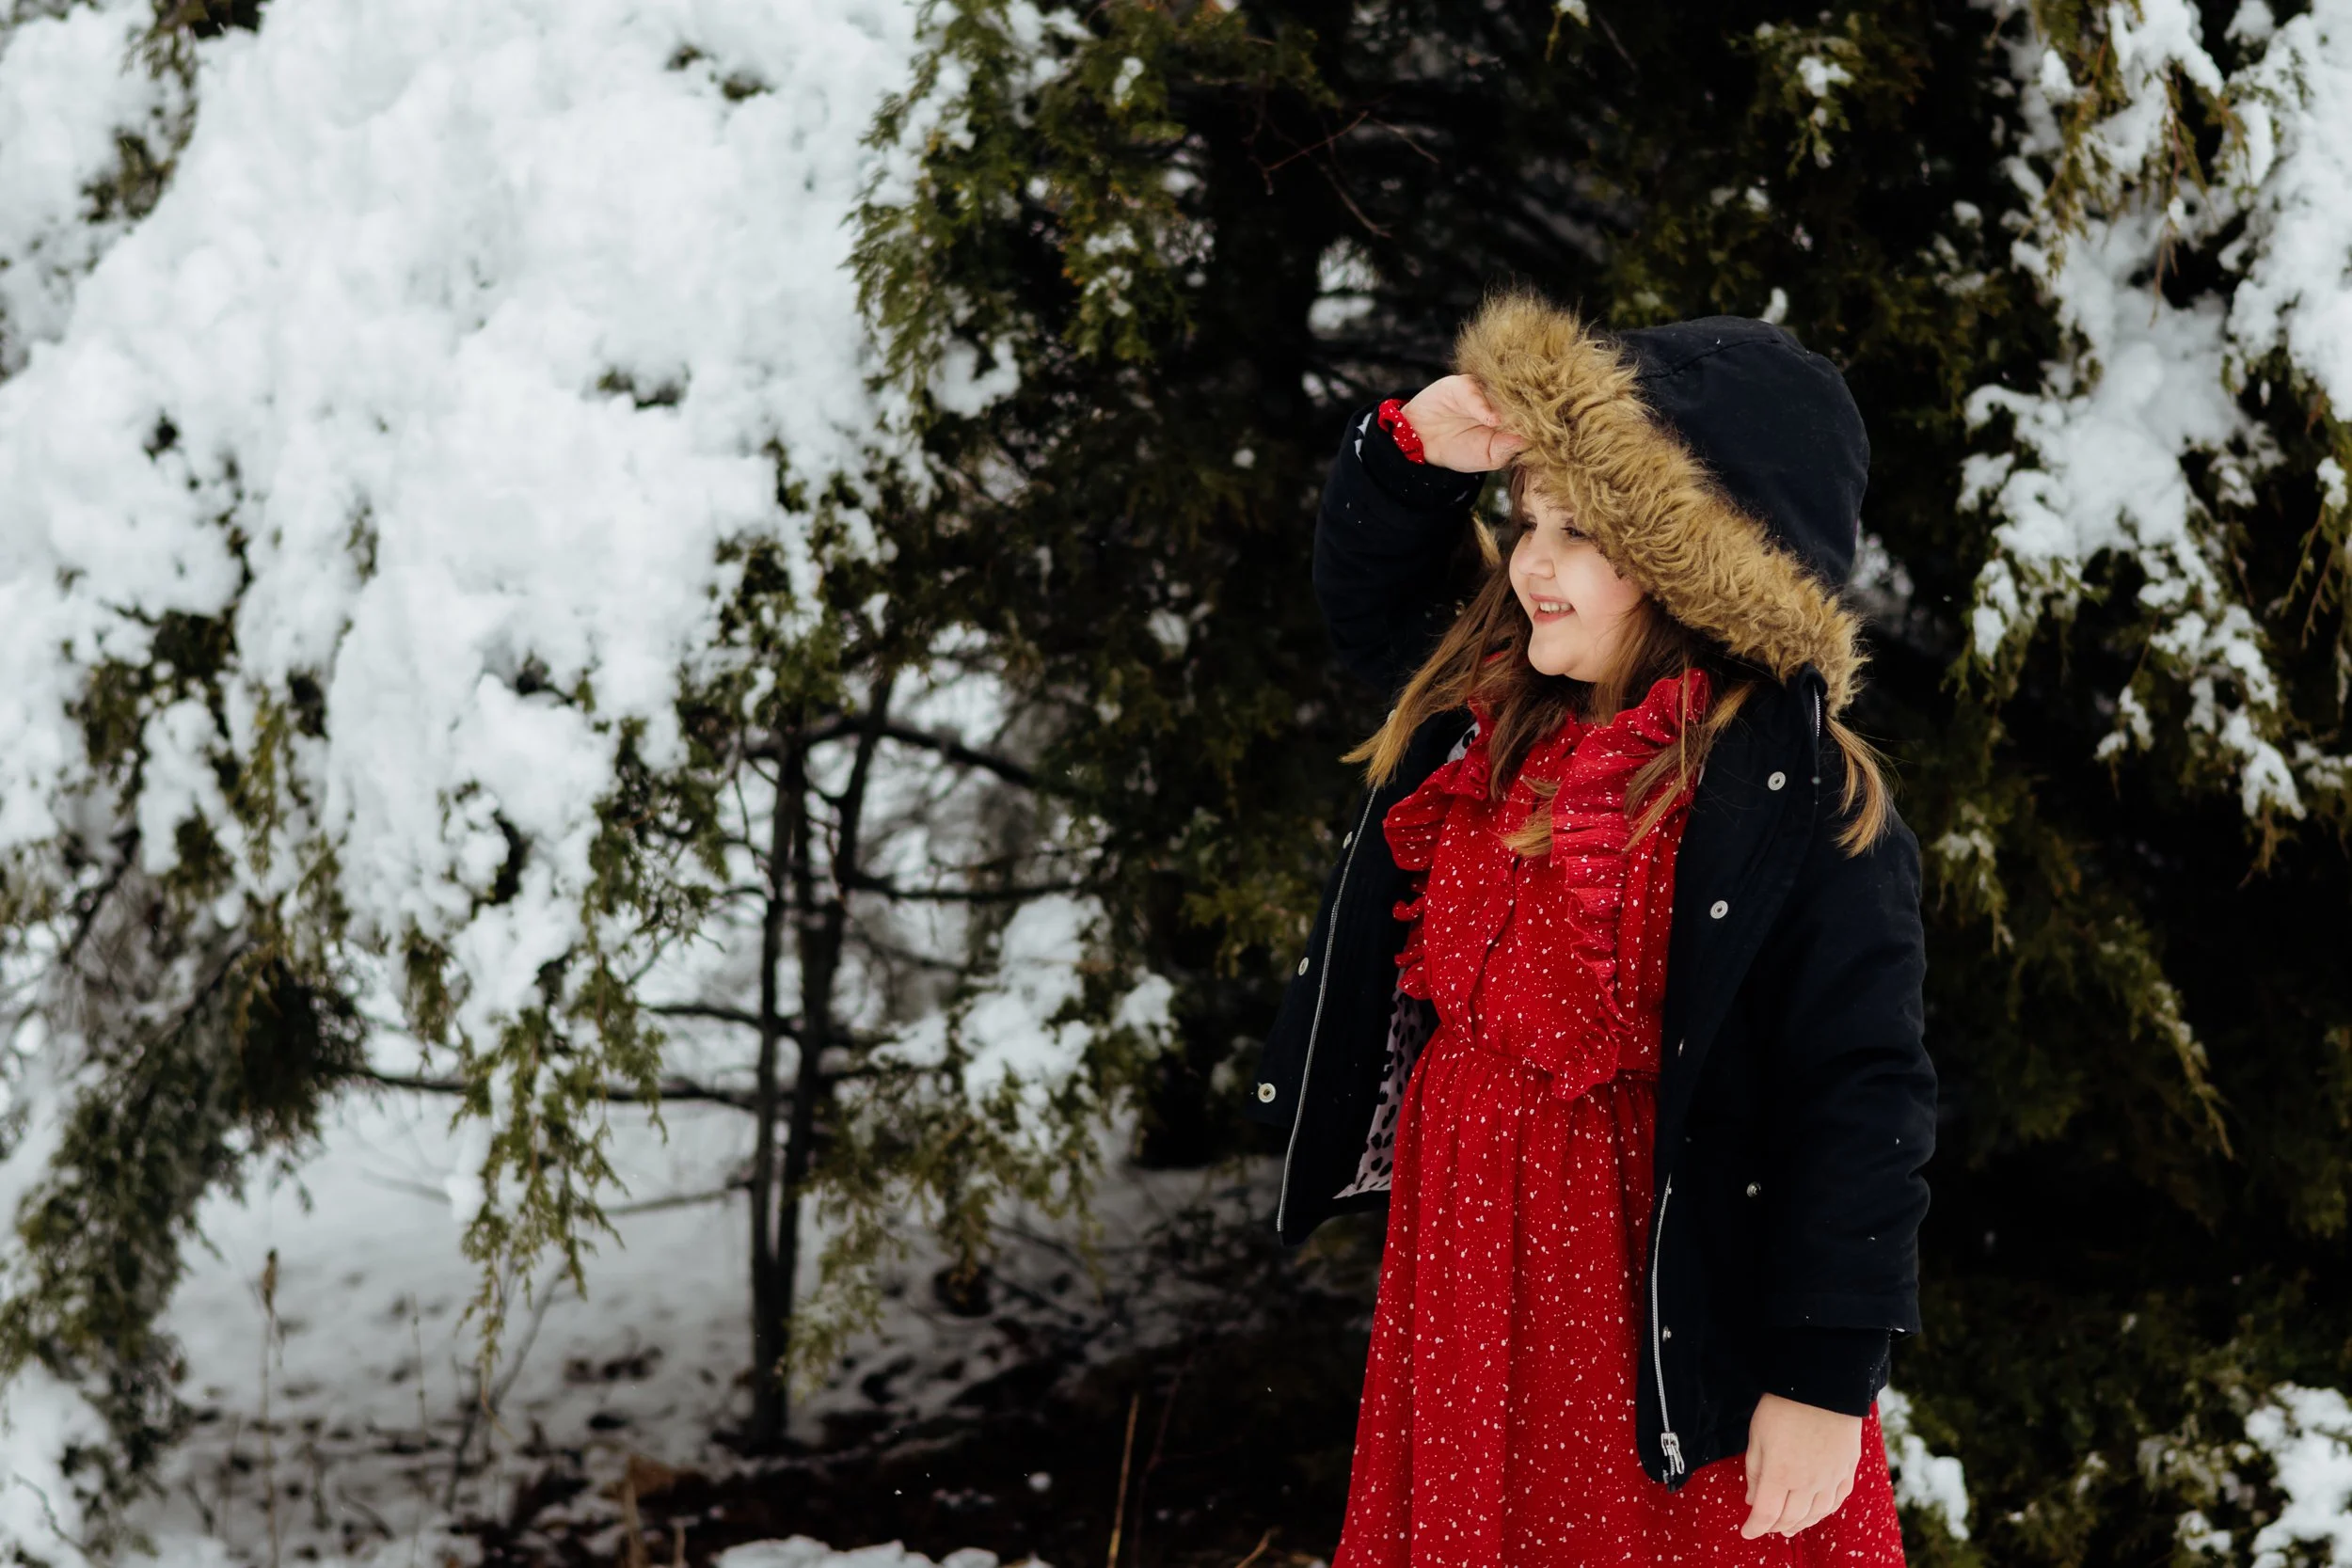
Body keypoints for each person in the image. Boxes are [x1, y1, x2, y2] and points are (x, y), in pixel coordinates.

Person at [1243, 290, 1936, 1565]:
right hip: (1466, 1266)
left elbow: (1861, 1094)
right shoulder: (1489, 715)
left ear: (1698, 555)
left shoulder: (1793, 798)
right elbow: (1369, 597)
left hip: (1657, 1305)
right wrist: (1413, 451)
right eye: (1525, 521)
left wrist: (1826, 1376)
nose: (1530, 563)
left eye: (1581, 531)